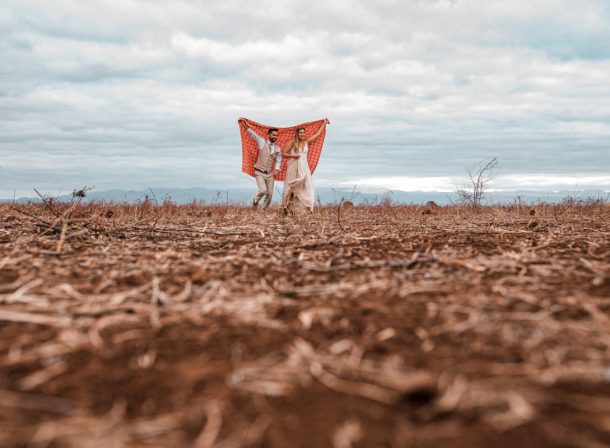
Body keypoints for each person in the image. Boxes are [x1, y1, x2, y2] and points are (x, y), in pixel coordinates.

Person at [282, 118, 330, 213]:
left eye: (303, 132)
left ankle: (305, 207)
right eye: (300, 133)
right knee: (291, 186)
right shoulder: (292, 142)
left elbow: (317, 134)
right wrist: (293, 155)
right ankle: (285, 207)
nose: (302, 134)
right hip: (293, 166)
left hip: (304, 166)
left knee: (306, 185)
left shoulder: (306, 142)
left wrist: (324, 123)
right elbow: (283, 154)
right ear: (297, 134)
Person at [239, 119, 282, 210]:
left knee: (270, 194)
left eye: (277, 135)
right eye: (274, 135)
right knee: (263, 190)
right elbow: (252, 133)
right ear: (269, 134)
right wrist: (243, 124)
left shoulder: (277, 148)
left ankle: (262, 210)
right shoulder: (262, 142)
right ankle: (255, 200)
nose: (275, 136)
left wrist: (277, 169)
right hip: (259, 172)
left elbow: (278, 160)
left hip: (270, 174)